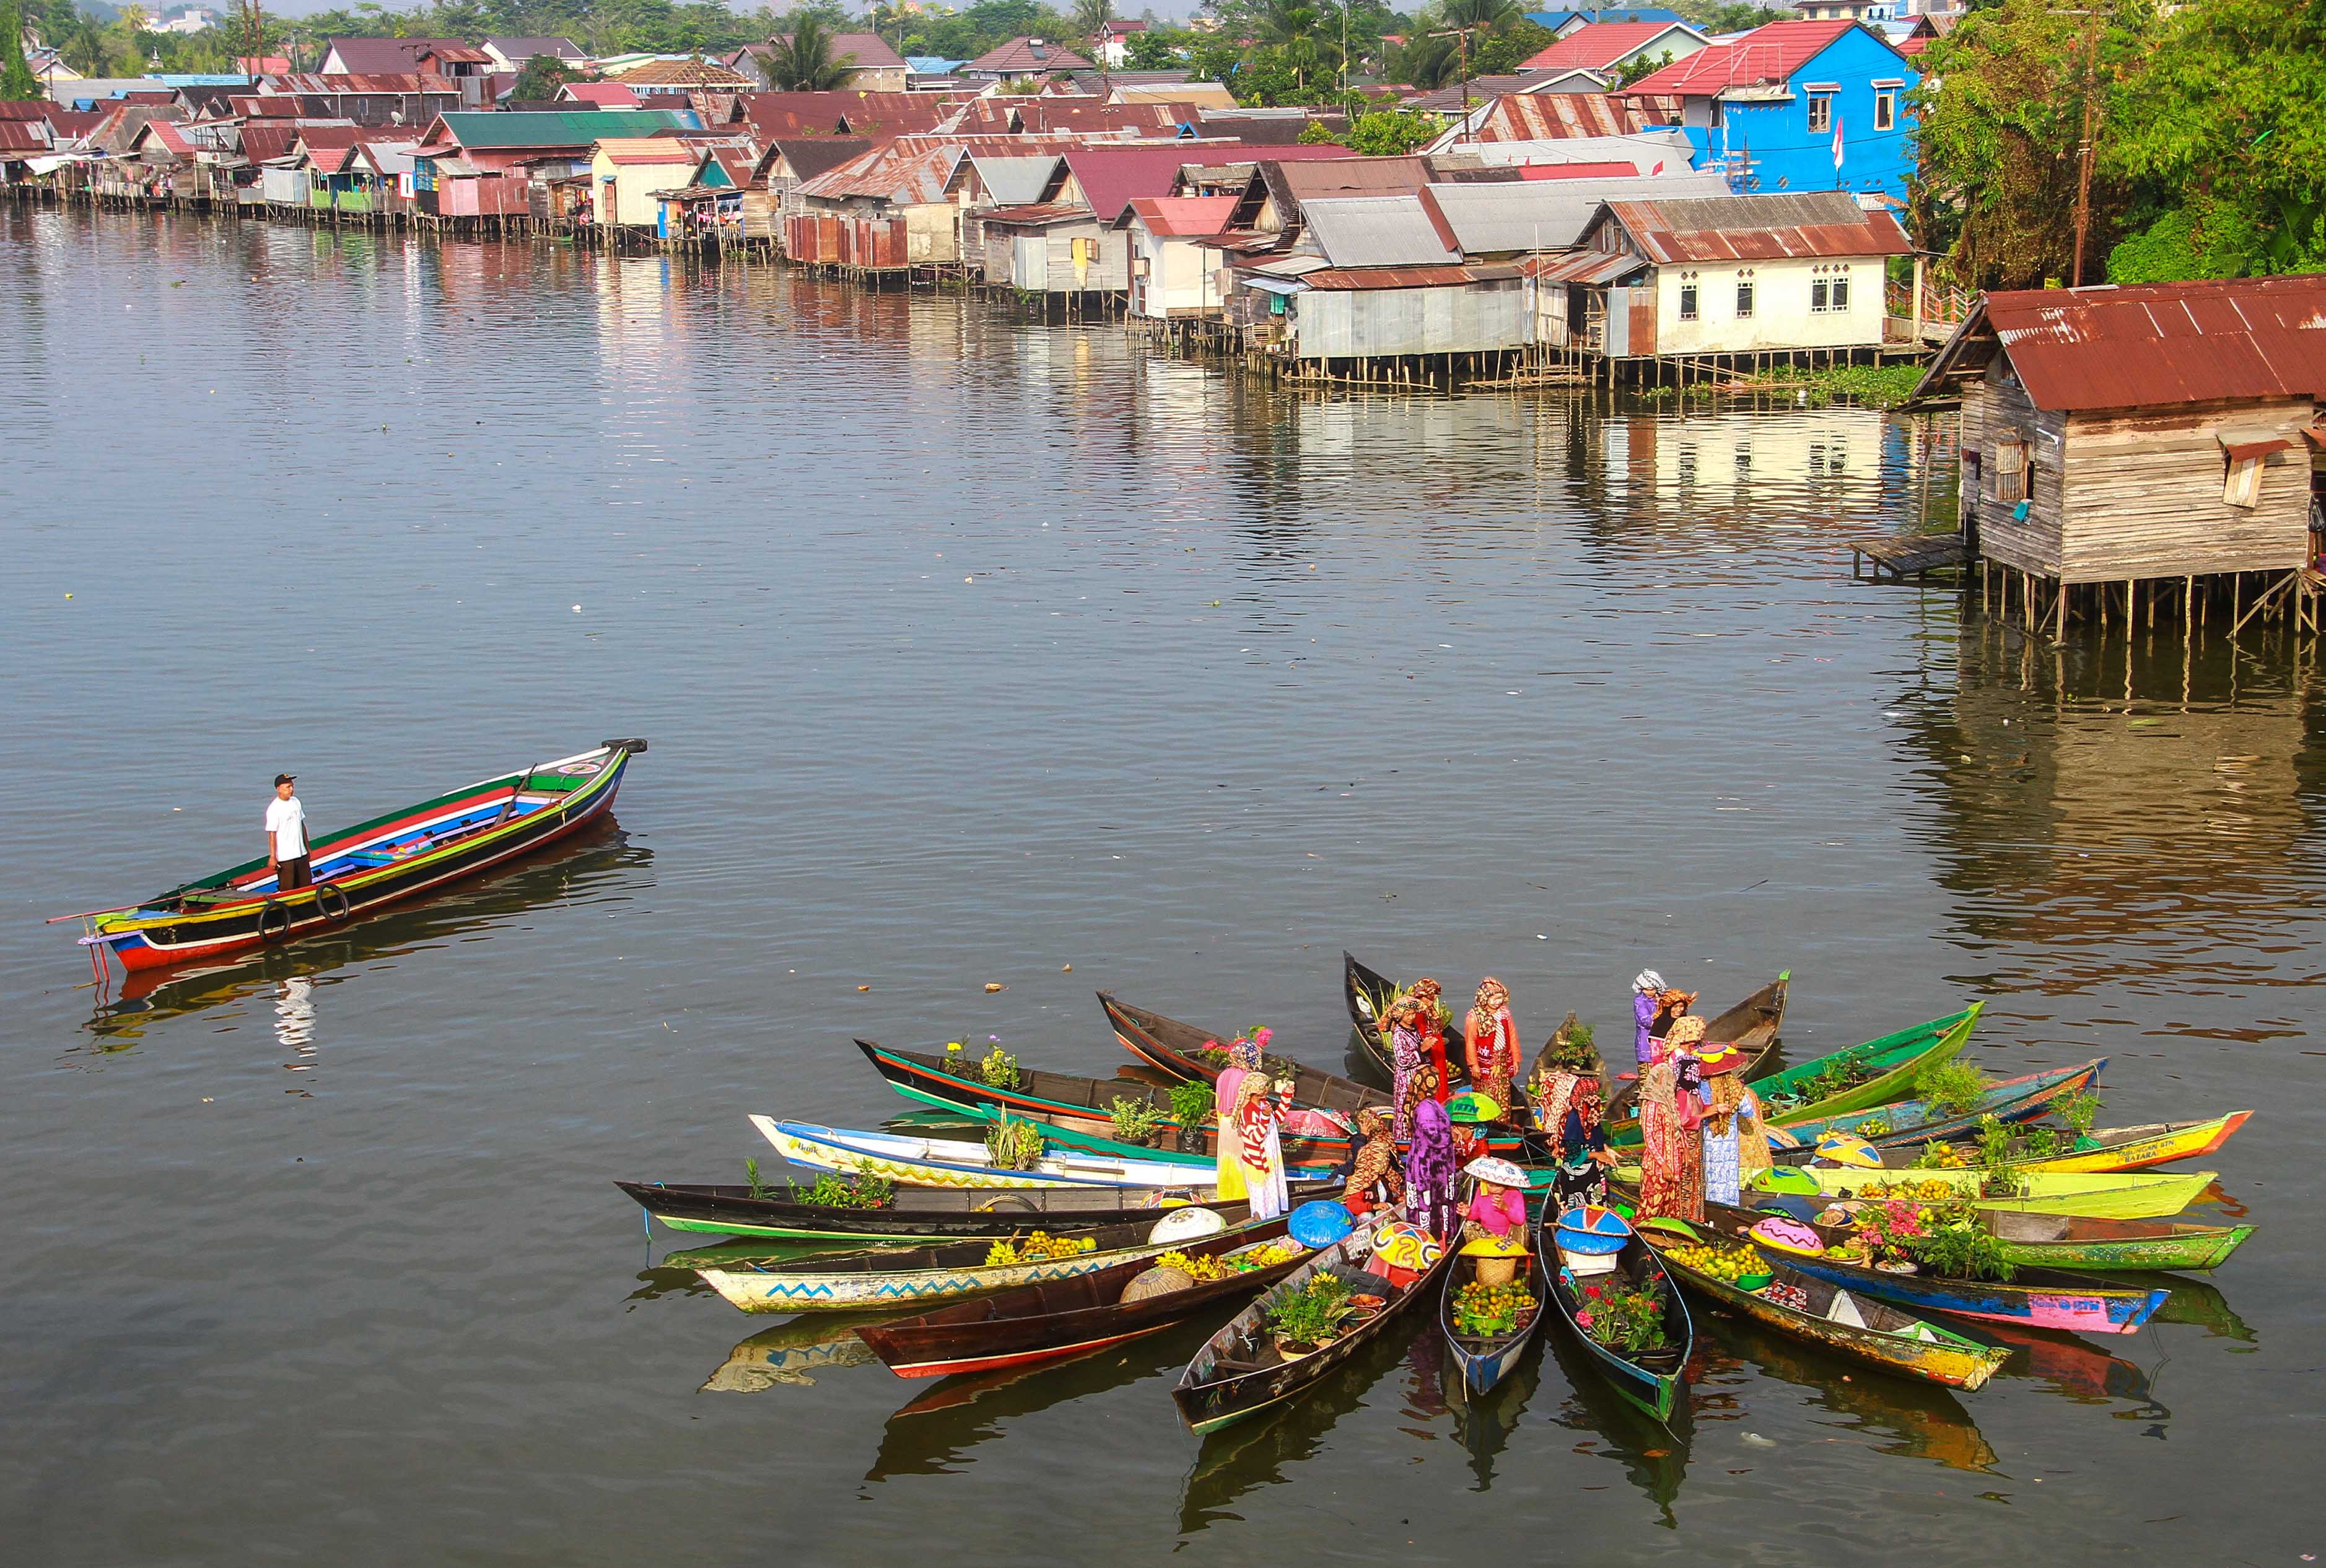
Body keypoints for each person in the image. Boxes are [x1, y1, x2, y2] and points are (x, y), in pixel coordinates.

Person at [1528, 1020, 1620, 1213]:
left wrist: (1606, 1150)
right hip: (1576, 1175)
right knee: (1578, 1209)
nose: (1595, 1104)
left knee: (1596, 1207)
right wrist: (1596, 1155)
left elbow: (1595, 1139)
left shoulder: (1591, 1116)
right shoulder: (1573, 1119)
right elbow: (1571, 1155)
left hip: (1593, 1172)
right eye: (1590, 1100)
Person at [1636, 1014, 1707, 1224]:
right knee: (1652, 1204)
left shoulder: (1670, 1104)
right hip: (1658, 1165)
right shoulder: (1651, 1105)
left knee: (1670, 1205)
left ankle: (1668, 1233)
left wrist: (1684, 1149)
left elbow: (1677, 1127)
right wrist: (1664, 1165)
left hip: (1673, 1160)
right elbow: (1649, 1137)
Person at [1699, 1044, 1774, 1207]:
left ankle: (1711, 1205)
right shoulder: (1736, 1088)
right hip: (1729, 1139)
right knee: (1728, 1174)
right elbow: (1748, 1112)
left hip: (1708, 1137)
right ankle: (1729, 1204)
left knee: (1710, 1174)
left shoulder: (1701, 1088)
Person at [1231, 1069, 1296, 1221]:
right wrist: (1265, 1117)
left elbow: (1277, 1119)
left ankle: (1274, 1217)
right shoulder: (1247, 1111)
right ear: (1255, 1090)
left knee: (1272, 1189)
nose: (1267, 1090)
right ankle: (1260, 1220)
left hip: (1271, 1155)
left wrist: (1286, 1096)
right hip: (1258, 1161)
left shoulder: (1264, 1104)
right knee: (1260, 1194)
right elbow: (1255, 1137)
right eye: (1264, 1087)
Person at [1210, 1035, 1258, 1203]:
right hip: (1241, 1125)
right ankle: (1245, 1198)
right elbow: (1250, 1107)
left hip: (1225, 1124)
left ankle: (1226, 1198)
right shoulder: (1247, 1078)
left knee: (1227, 1162)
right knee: (1243, 1162)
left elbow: (1218, 1104)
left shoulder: (1223, 1075)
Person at [1404, 1097, 1461, 1240]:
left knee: (1441, 1205)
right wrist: (1451, 1136)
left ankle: (1443, 1237)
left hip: (1439, 1164)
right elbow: (1433, 1135)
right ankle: (1431, 1239)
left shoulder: (1432, 1104)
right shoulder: (1425, 1107)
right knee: (1431, 1206)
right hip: (1429, 1165)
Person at [1464, 978, 1521, 1115]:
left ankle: (1503, 1120)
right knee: (1486, 1094)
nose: (1497, 1002)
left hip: (1502, 1060)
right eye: (1494, 999)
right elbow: (1470, 1042)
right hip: (1485, 1061)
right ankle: (1487, 1122)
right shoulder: (1474, 1017)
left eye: (1500, 998)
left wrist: (1515, 1059)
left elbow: (1512, 1035)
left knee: (1503, 1093)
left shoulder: (1505, 1014)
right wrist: (1474, 1065)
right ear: (1484, 999)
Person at [1388, 996, 1436, 1143]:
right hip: (1407, 1079)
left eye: (1413, 1014)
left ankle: (1421, 1137)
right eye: (1408, 1014)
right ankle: (1405, 1139)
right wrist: (1422, 1049)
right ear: (1400, 1015)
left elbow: (1420, 1048)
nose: (1411, 1017)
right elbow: (1402, 1060)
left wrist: (1426, 1047)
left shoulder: (1414, 1029)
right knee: (1406, 1108)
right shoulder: (1398, 1034)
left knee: (1421, 1107)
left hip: (1419, 1077)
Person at [1340, 1107, 1406, 1213]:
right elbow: (1353, 1206)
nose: (1384, 1162)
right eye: (1381, 1159)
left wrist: (1398, 1200)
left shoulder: (1386, 1178)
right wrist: (1373, 1207)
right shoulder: (1360, 1181)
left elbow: (1387, 1198)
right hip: (1368, 1217)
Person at [1458, 1156, 1529, 1246]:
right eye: (1490, 1185)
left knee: (1521, 1227)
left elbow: (1520, 1220)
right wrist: (1468, 1213)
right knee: (1468, 1226)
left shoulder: (1515, 1194)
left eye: (1498, 1186)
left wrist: (1505, 1208)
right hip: (1486, 1234)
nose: (1494, 1189)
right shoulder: (1481, 1190)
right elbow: (1476, 1215)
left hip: (1508, 1237)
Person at [265, 773, 311, 891]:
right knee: (288, 887)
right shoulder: (274, 808)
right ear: (278, 789)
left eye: (292, 786)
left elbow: (302, 825)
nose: (291, 790)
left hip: (301, 854)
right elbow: (272, 834)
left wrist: (307, 848)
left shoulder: (296, 802)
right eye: (287, 787)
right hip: (286, 857)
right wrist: (272, 857)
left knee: (306, 886)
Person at [1409, 977, 1453, 1098]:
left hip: (1437, 1055)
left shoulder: (1431, 1012)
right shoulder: (1416, 1015)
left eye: (1433, 995)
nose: (1432, 999)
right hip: (1428, 1056)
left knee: (1440, 1080)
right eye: (1429, 996)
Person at [1630, 970, 1667, 1067]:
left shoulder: (1661, 999)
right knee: (1646, 1075)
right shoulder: (1639, 1001)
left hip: (1661, 1042)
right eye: (1647, 990)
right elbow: (1646, 1021)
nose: (1650, 992)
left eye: (1653, 989)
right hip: (1645, 1042)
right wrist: (1660, 1011)